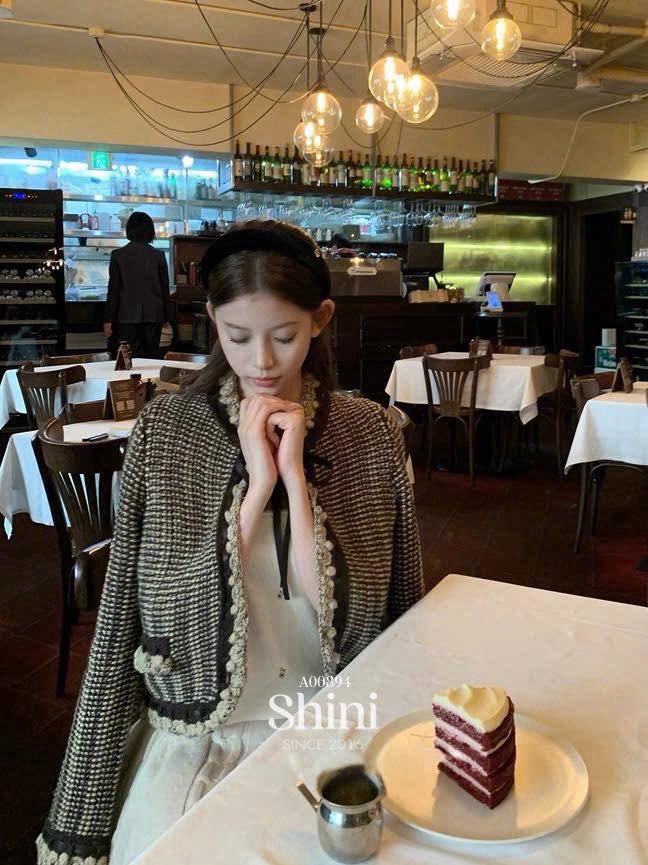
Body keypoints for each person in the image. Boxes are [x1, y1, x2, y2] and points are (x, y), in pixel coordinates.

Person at [37, 220, 424, 865]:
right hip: (200, 734)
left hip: (337, 721)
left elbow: (389, 613)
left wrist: (295, 479)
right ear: (212, 320)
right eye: (238, 337)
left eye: (284, 336)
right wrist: (257, 487)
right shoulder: (168, 430)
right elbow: (143, 617)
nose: (261, 362)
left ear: (321, 319)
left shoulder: (369, 434)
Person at [104, 211, 172, 359]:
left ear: (129, 229)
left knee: (128, 360)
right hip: (154, 316)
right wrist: (166, 318)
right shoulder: (159, 255)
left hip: (126, 317)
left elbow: (113, 290)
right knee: (151, 359)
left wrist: (108, 319)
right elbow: (164, 289)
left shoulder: (118, 255)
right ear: (150, 230)